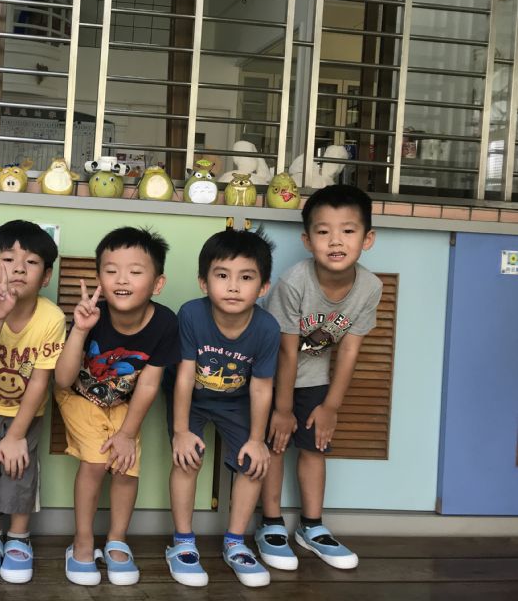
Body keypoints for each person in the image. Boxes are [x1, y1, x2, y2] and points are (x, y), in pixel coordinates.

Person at [256, 185, 381, 571]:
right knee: (275, 444)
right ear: (308, 241)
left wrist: (331, 406)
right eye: (324, 232)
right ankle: (271, 523)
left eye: (348, 231)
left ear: (367, 239)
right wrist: (282, 409)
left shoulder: (370, 287)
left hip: (314, 377)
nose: (336, 241)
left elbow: (349, 349)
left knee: (315, 447)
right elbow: (285, 350)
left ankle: (311, 526)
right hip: (269, 373)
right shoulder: (294, 282)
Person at [54, 227, 179, 586]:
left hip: (123, 402)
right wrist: (80, 329)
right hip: (78, 396)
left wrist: (127, 434)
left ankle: (116, 539)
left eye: (135, 271)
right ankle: (82, 541)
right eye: (111, 271)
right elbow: (62, 379)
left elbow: (149, 384)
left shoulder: (165, 323)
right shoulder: (93, 314)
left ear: (157, 284)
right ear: (100, 279)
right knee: (96, 461)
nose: (122, 279)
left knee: (126, 464)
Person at [166, 228, 279, 588]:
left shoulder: (267, 328)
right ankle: (182, 541)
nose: (233, 287)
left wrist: (257, 439)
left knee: (253, 463)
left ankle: (235, 542)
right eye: (222, 275)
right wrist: (181, 431)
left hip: (236, 402)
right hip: (193, 400)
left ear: (263, 287)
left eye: (246, 277)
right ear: (204, 282)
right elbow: (185, 375)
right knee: (187, 459)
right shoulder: (191, 314)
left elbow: (261, 387)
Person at [0, 220, 66, 584]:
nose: (19, 269)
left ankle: (19, 536)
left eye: (31, 262)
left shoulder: (52, 318)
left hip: (26, 410)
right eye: (8, 260)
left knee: (21, 468)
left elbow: (40, 381)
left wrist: (17, 434)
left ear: (46, 276)